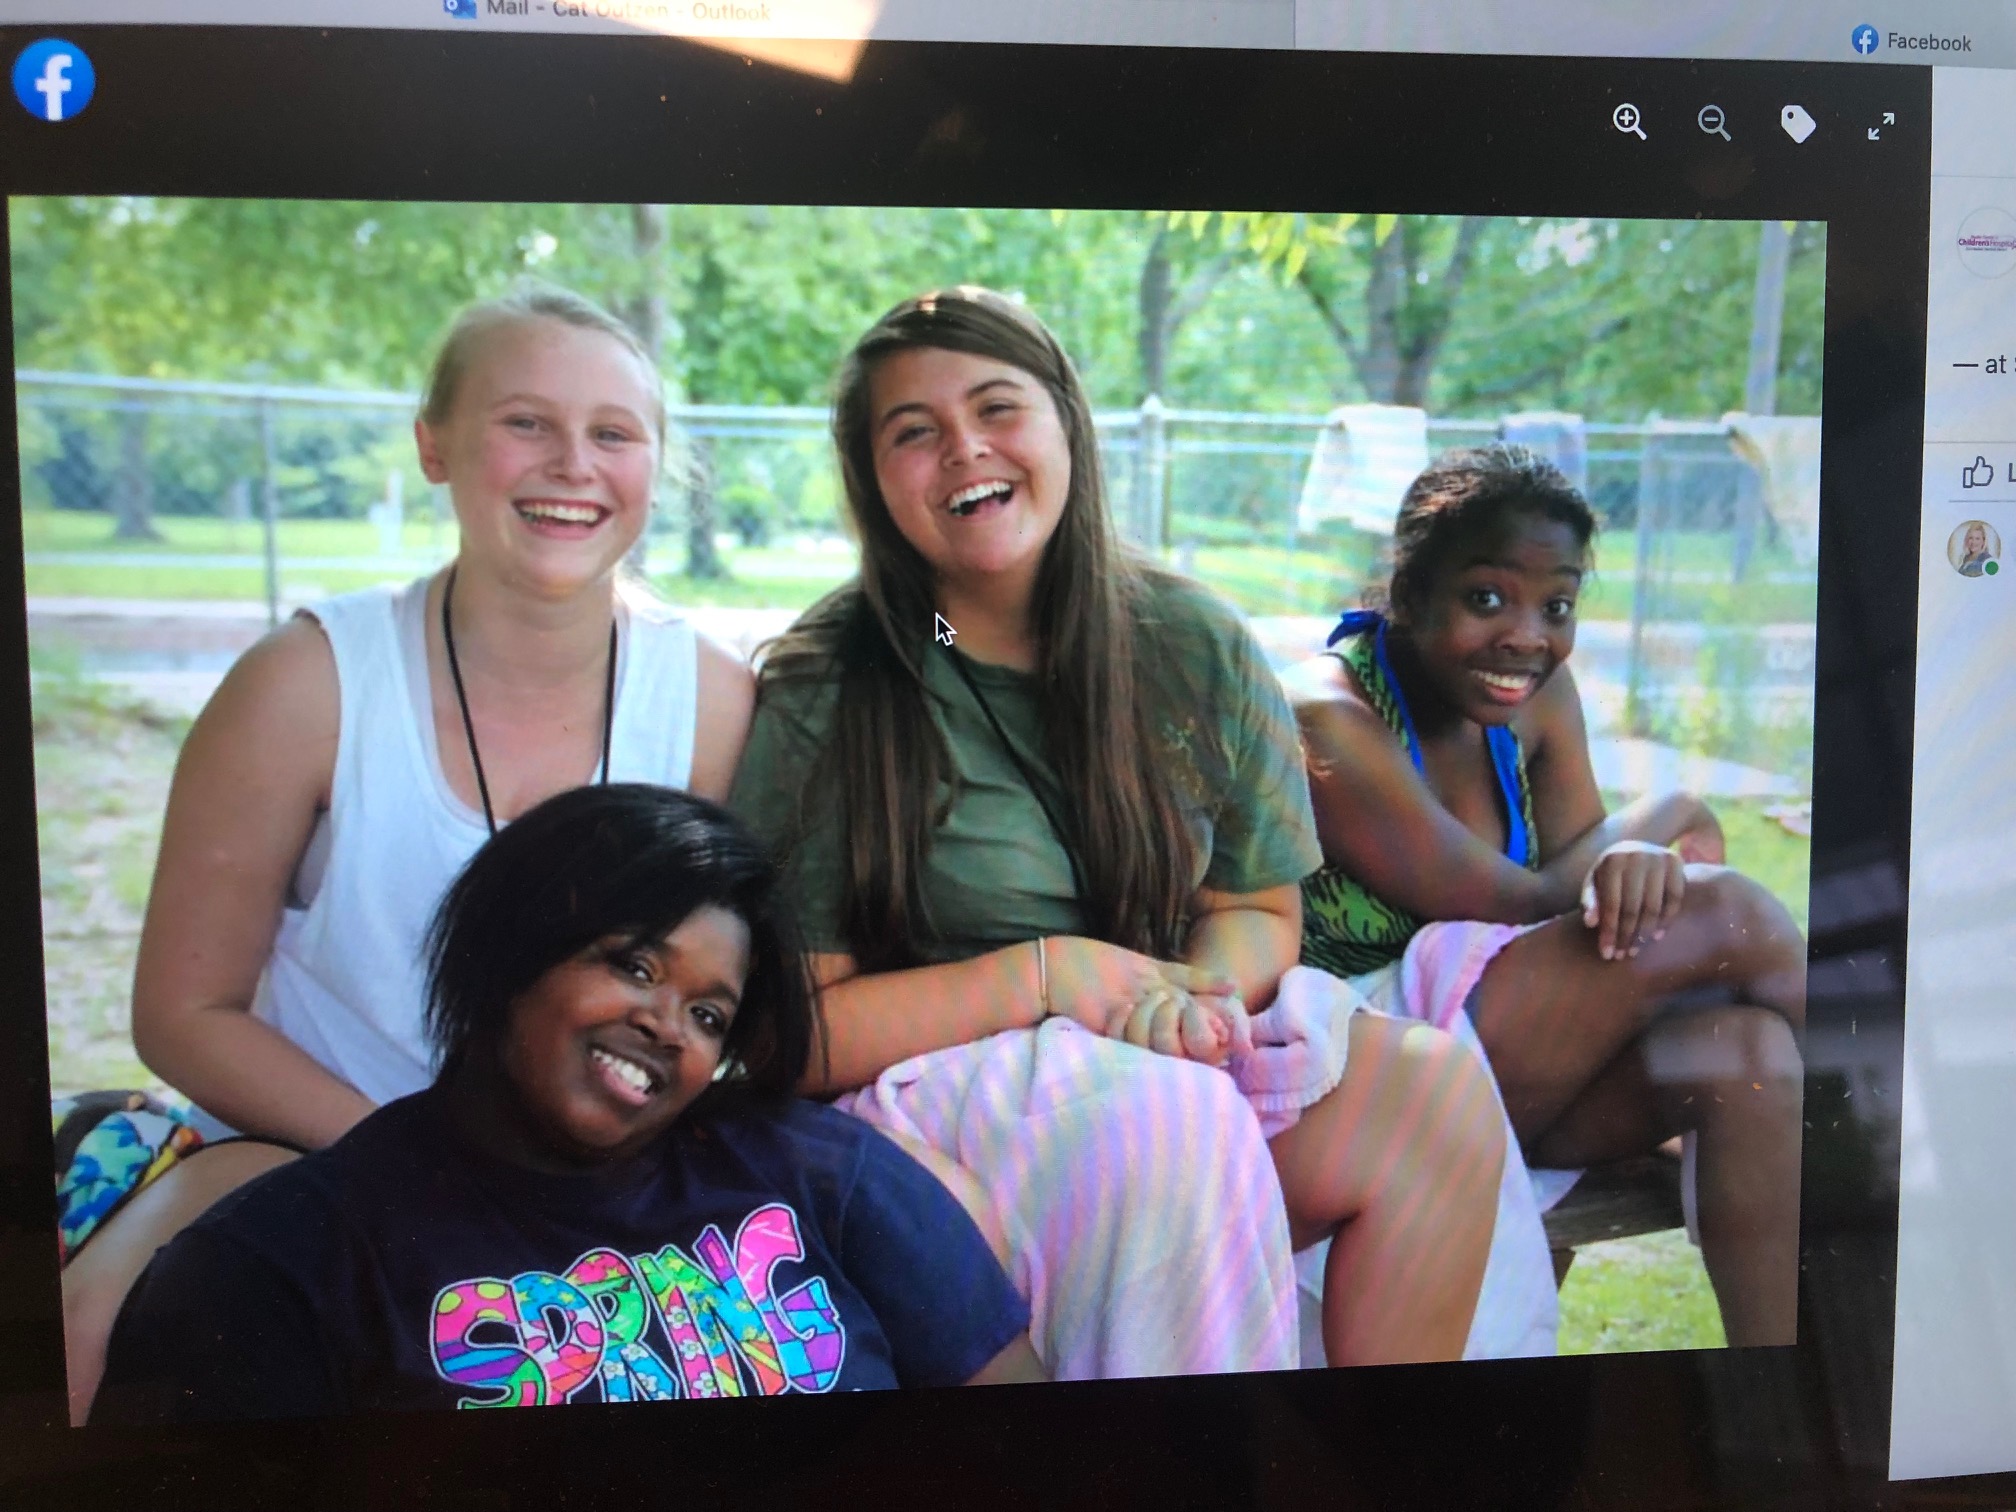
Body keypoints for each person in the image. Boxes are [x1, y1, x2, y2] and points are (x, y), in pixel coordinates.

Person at [730, 286, 1509, 1377]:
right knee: (1160, 1127)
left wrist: (1186, 999)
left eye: (996, 407)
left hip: (1156, 1053)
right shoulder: (841, 679)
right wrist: (1051, 978)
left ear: (1066, 424)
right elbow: (791, 1036)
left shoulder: (1189, 641)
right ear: (873, 479)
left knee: (1431, 1095)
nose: (964, 449)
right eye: (913, 431)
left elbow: (1255, 908)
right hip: (936, 1099)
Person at [61, 285, 755, 1421]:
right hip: (304, 1146)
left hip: (590, 1186)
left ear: (656, 466)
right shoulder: (307, 681)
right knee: (90, 1343)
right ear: (435, 445)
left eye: (614, 433)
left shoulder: (719, 703)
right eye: (525, 422)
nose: (573, 464)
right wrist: (417, 1166)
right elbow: (185, 1012)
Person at [91, 785, 1041, 1422]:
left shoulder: (821, 1172)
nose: (668, 1027)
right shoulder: (283, 1261)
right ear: (512, 948)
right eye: (635, 966)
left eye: (709, 1014)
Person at [1285, 445, 1807, 1347]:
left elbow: (1594, 894)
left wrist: (1630, 852)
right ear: (1409, 593)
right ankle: (1895, 1129)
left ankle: (1790, 1390)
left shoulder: (1539, 694)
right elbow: (1511, 905)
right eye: (1487, 598)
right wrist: (1662, 814)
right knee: (1728, 910)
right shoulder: (1328, 716)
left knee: (1744, 1055)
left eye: (1556, 605)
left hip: (1508, 1054)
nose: (1527, 635)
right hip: (1363, 1063)